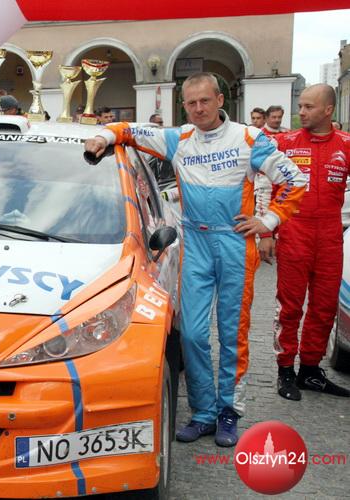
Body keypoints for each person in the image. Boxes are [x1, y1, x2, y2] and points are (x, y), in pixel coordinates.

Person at [85, 72, 306, 447]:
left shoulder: (249, 137)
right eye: (191, 103)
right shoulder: (179, 138)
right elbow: (128, 131)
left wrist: (268, 221)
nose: (199, 108)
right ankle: (203, 412)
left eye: (205, 100)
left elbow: (296, 180)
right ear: (184, 106)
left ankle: (228, 411)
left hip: (235, 243)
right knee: (191, 333)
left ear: (220, 100)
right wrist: (103, 137)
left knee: (232, 333)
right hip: (195, 243)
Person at [257, 84, 350, 400]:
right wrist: (266, 233)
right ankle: (285, 370)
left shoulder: (345, 144)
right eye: (300, 106)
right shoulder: (285, 142)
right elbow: (265, 186)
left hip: (330, 238)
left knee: (324, 308)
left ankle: (310, 370)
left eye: (309, 107)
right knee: (290, 307)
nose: (301, 112)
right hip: (294, 233)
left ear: (328, 110)